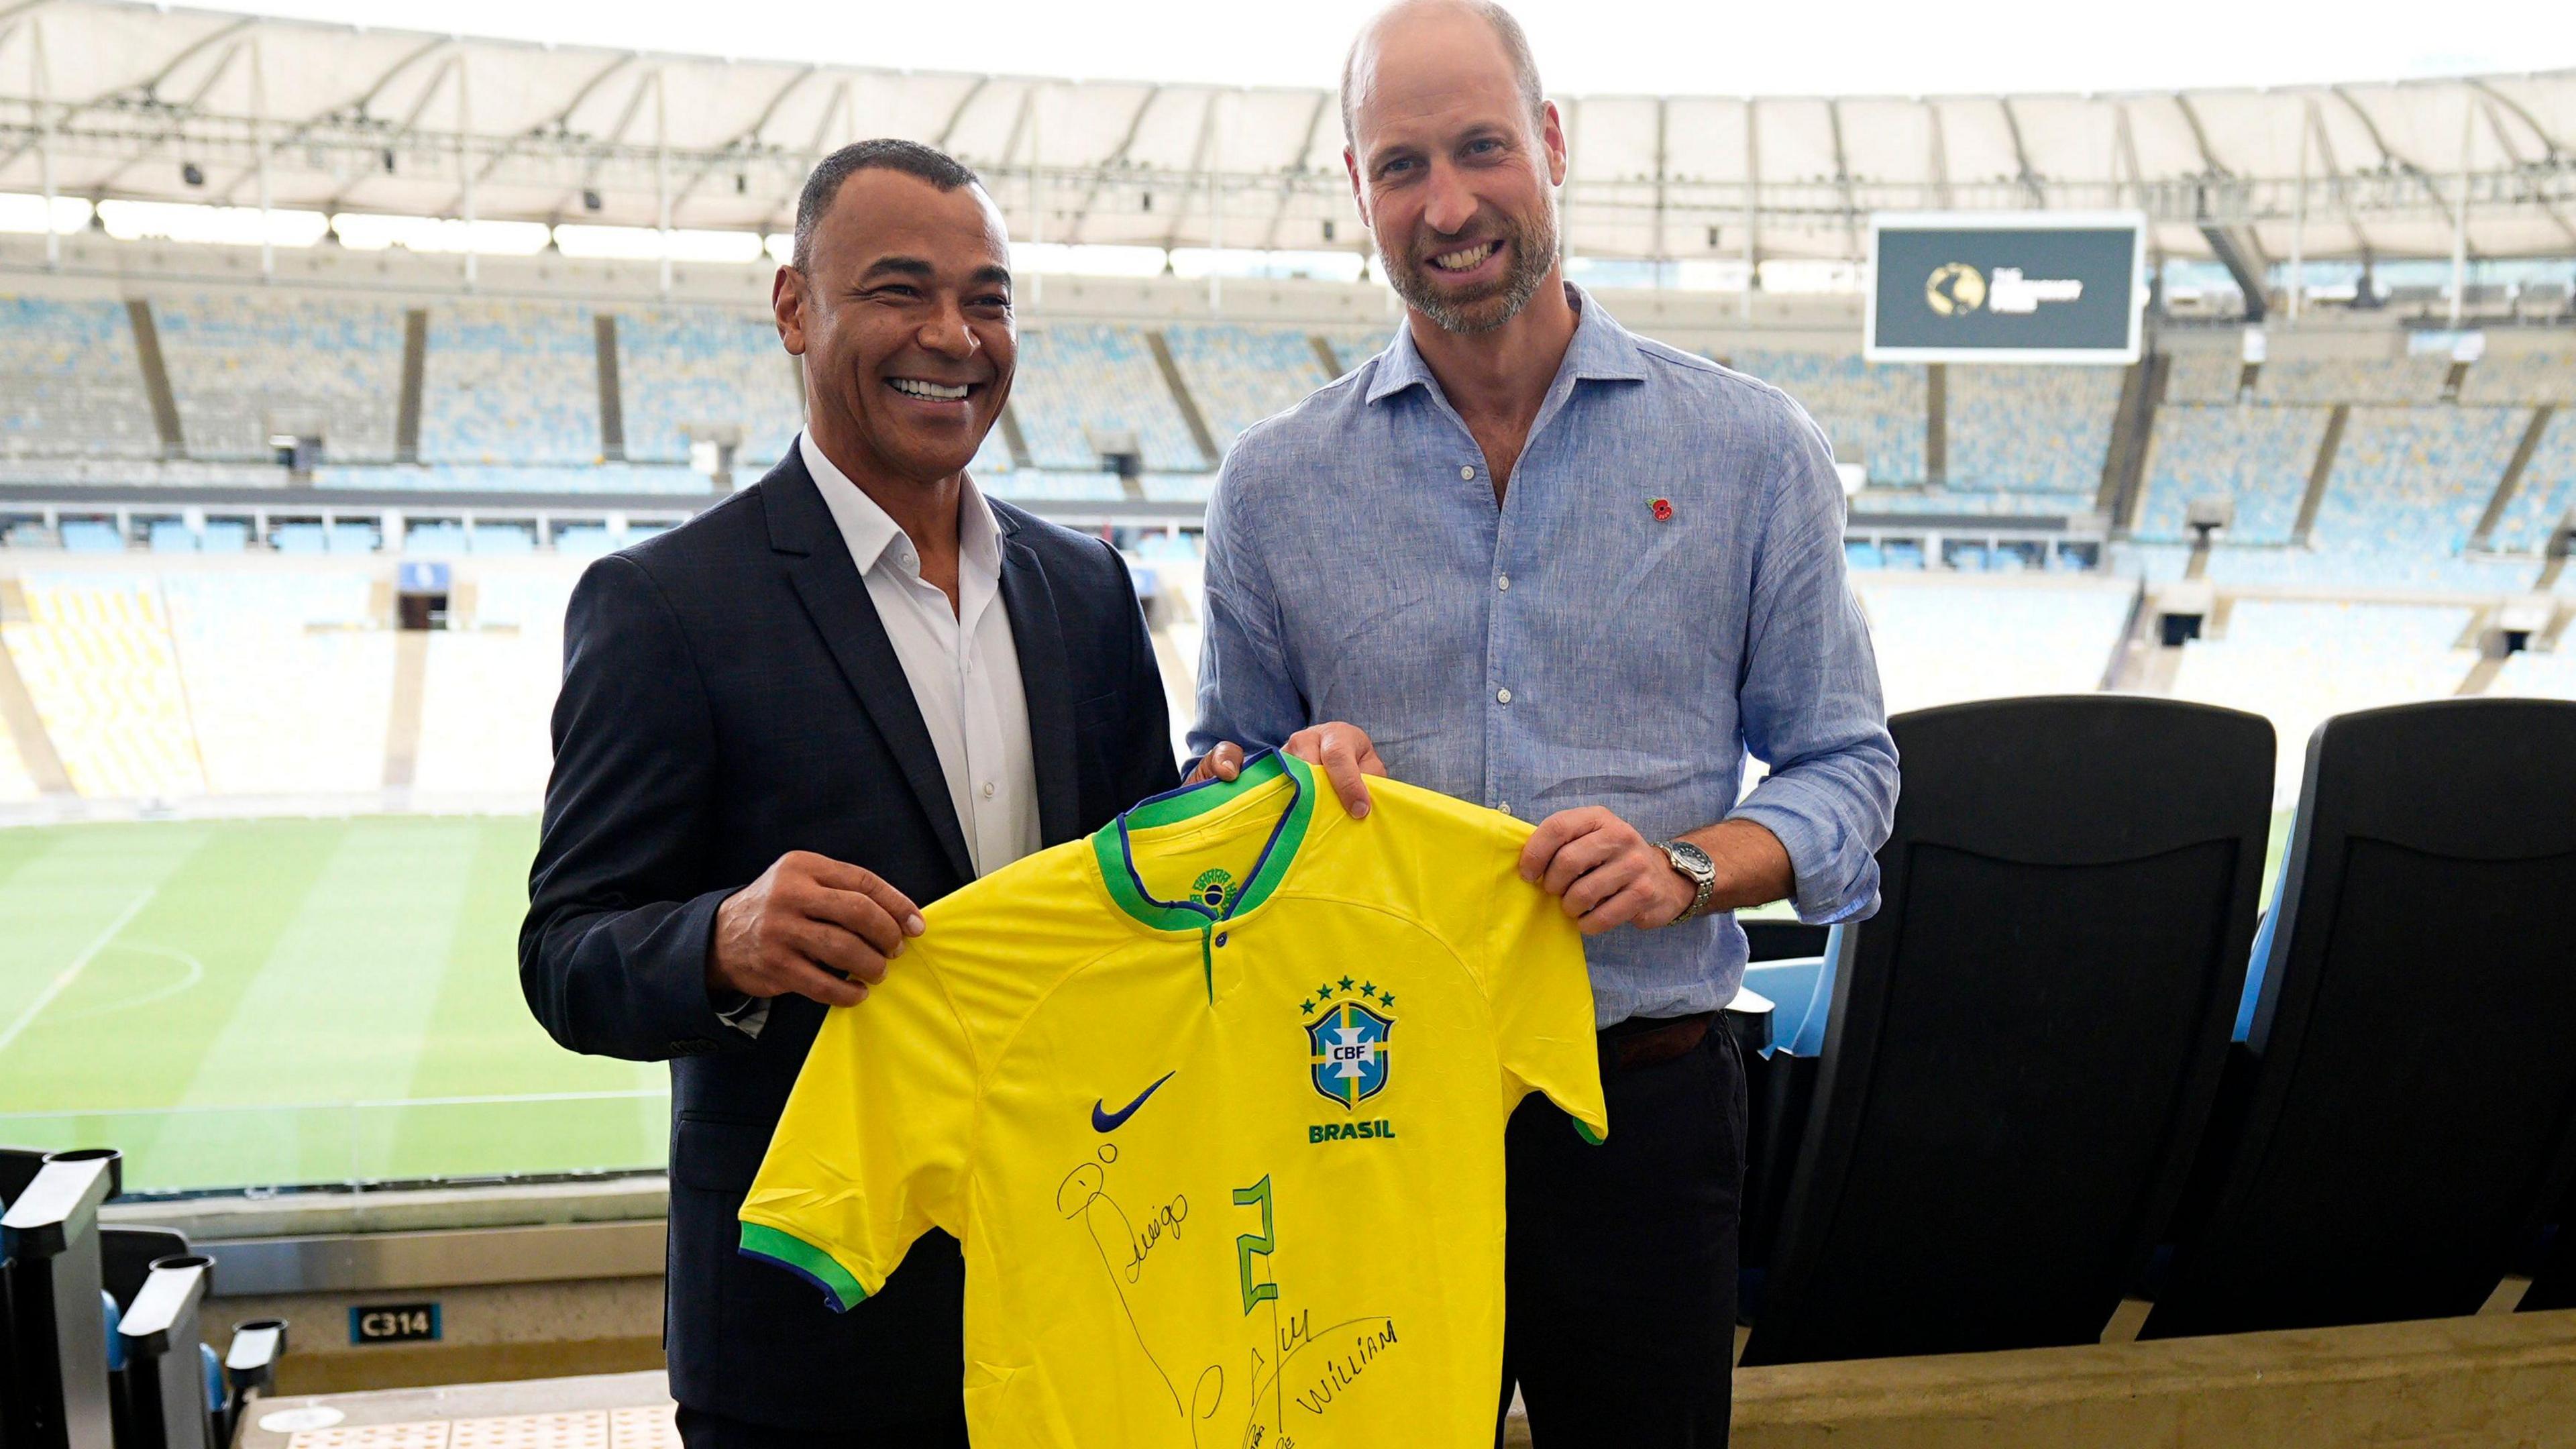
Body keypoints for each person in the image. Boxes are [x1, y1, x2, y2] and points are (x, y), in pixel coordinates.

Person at [1186, 3, 1899, 1442]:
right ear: (1358, 188)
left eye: (1481, 148)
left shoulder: (1752, 451)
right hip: (1355, 1109)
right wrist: (1273, 783)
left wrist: (1686, 868)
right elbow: (1209, 783)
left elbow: (1846, 771)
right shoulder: (1271, 485)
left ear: (1552, 144)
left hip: (1643, 1116)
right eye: (1402, 166)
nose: (1447, 206)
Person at [521, 139, 1178, 1449]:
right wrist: (723, 941)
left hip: (1084, 1302)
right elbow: (565, 956)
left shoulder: (1088, 592)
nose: (954, 336)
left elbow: (1144, 900)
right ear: (794, 308)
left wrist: (1232, 810)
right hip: (805, 1353)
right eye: (899, 290)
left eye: (987, 300)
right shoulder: (665, 605)